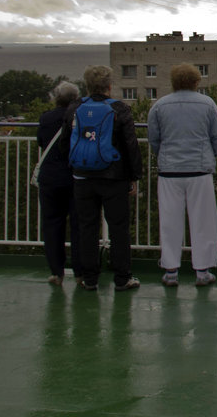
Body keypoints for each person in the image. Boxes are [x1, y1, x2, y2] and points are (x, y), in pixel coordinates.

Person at [147, 63, 217, 287]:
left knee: (169, 221)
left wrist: (162, 155)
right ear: (195, 82)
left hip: (169, 171)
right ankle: (202, 271)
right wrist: (214, 154)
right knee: (203, 221)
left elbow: (154, 136)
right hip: (199, 170)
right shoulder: (207, 104)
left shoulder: (160, 105)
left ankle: (171, 270)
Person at [67, 65, 143, 291]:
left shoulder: (75, 107)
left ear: (87, 86)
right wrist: (134, 176)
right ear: (110, 85)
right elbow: (131, 145)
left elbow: (66, 142)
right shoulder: (120, 109)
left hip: (82, 177)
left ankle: (89, 278)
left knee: (86, 227)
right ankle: (122, 277)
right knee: (119, 228)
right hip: (114, 177)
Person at [37, 81, 84, 284]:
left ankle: (56, 271)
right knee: (78, 224)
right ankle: (81, 270)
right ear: (76, 99)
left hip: (50, 178)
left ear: (56, 98)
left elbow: (41, 141)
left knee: (52, 223)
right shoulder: (78, 117)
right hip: (74, 176)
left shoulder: (46, 118)